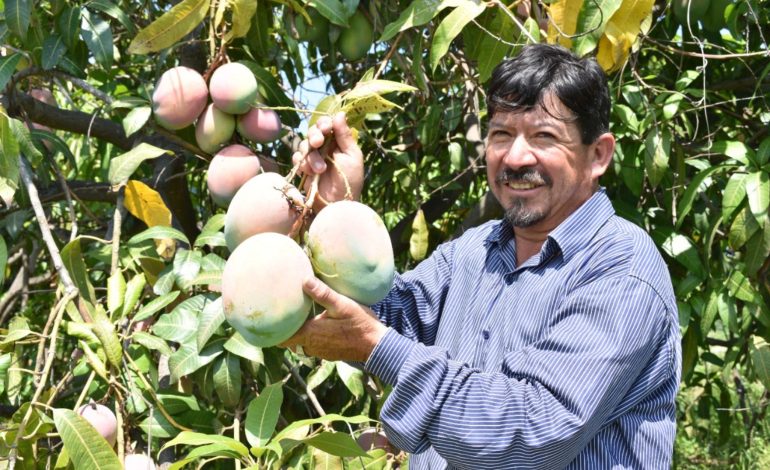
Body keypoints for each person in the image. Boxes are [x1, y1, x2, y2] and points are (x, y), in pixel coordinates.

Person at [284, 43, 681, 469]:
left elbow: (531, 433)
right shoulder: (475, 250)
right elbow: (389, 313)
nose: (515, 157)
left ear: (598, 154)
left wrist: (376, 346)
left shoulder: (621, 270)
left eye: (544, 136)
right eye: (501, 134)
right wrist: (335, 212)